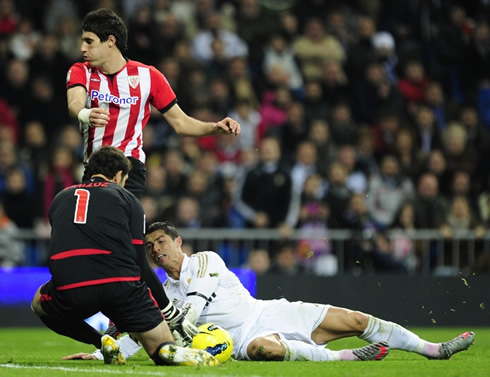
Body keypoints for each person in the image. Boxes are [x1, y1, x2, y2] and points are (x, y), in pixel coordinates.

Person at [66, 221, 474, 362]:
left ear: (179, 242)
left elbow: (186, 315)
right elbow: (153, 333)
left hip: (267, 312)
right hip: (239, 341)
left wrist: (167, 325)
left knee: (355, 319)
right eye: (150, 247)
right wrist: (105, 349)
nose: (156, 250)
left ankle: (432, 349)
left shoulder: (206, 260)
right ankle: (346, 358)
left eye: (161, 242)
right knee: (266, 351)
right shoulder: (164, 292)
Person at [30, 146, 218, 367]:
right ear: (119, 175)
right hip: (120, 286)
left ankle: (101, 342)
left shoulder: (60, 199)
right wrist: (168, 310)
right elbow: (141, 263)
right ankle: (168, 351)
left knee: (37, 303)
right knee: (162, 346)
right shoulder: (128, 199)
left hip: (74, 287)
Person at [66, 8, 240, 198]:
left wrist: (215, 127)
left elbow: (180, 123)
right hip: (94, 168)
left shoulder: (149, 76)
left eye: (89, 41)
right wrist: (86, 114)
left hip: (129, 168)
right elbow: (74, 103)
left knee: (121, 224)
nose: (82, 48)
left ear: (110, 41)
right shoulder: (81, 71)